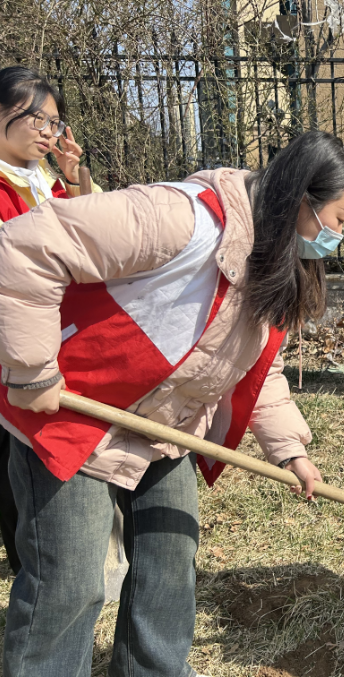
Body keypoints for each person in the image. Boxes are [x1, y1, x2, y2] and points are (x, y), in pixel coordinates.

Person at [0, 130, 344, 677]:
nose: (340, 233)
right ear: (301, 201)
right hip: (74, 413)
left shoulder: (272, 257)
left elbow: (256, 366)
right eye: (340, 217)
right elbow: (27, 244)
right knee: (70, 582)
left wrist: (291, 451)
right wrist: (33, 370)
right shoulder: (182, 217)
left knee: (169, 564)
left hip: (166, 425)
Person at [0, 65, 100, 575]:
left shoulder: (44, 180)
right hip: (13, 337)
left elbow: (91, 236)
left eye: (55, 122)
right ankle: (27, 560)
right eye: (35, 118)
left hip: (55, 330)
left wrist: (75, 176)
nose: (48, 131)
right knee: (10, 446)